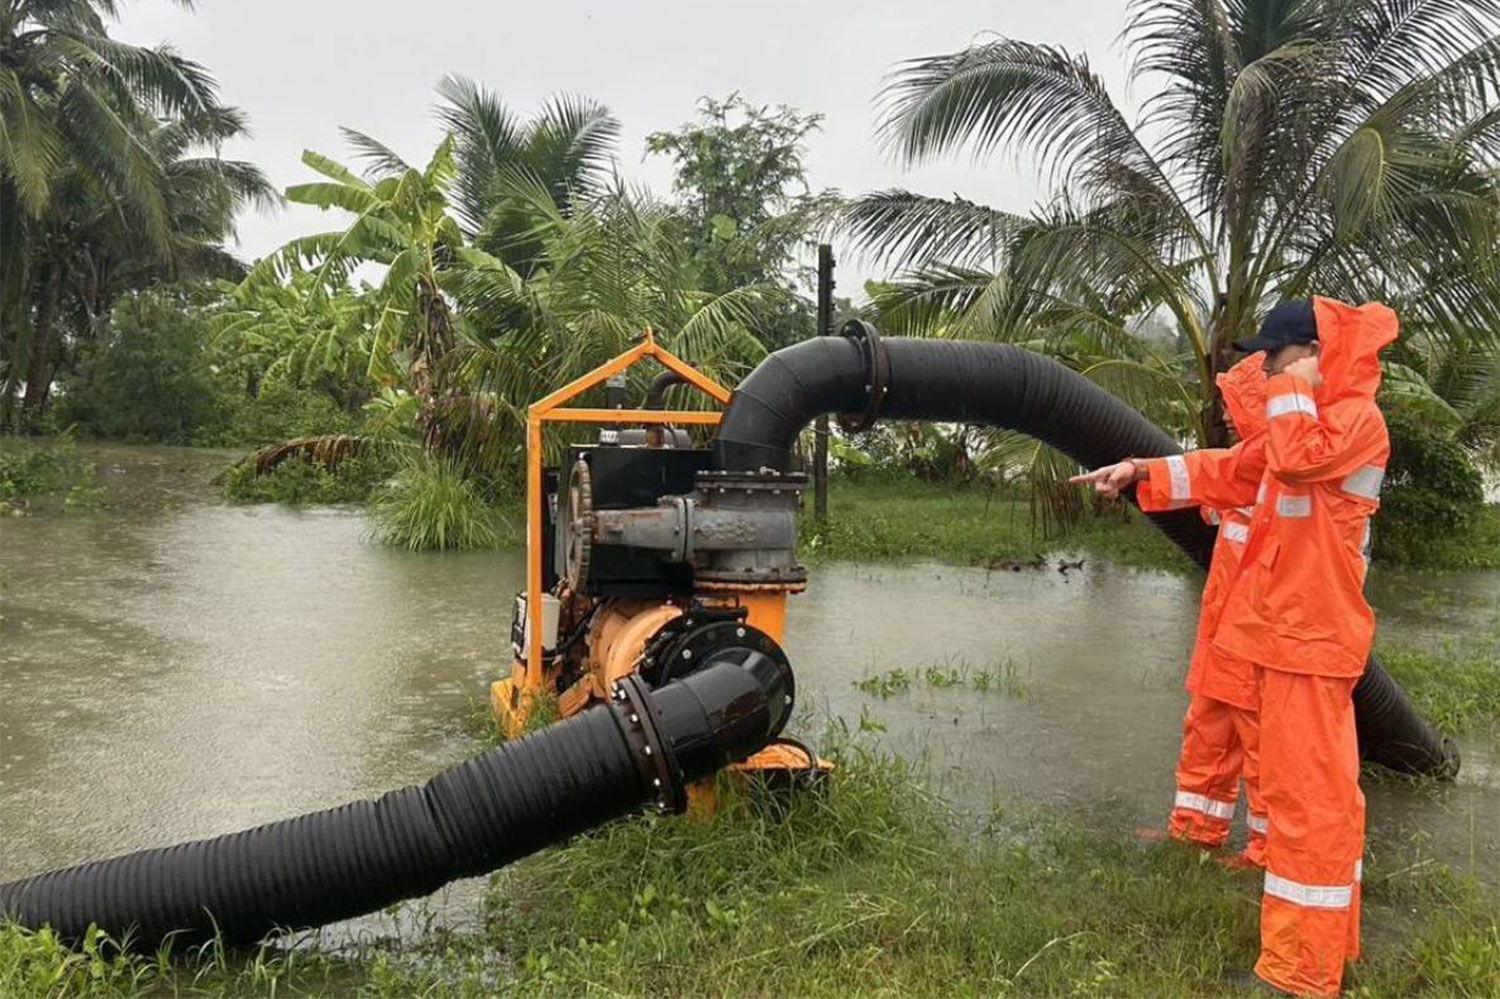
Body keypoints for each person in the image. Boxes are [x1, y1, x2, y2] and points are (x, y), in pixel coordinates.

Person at [1072, 298, 1395, 997]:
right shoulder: (1301, 420)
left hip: (1313, 643)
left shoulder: (1350, 422)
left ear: (1308, 352)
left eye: (1272, 355)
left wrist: (1296, 384)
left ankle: (1302, 972)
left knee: (1313, 805)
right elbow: (1232, 467)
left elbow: (1297, 459)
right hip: (1283, 641)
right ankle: (1309, 954)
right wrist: (1139, 470)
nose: (1263, 367)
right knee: (1291, 795)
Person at [1099, 353, 1270, 866]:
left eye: (1236, 406)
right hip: (1226, 628)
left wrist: (1141, 469)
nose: (1227, 417)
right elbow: (1209, 472)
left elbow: (1214, 471)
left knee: (1265, 745)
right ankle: (1196, 829)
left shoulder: (1292, 463)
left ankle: (1269, 849)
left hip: (1266, 634)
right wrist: (1138, 469)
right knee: (1209, 728)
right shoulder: (1255, 461)